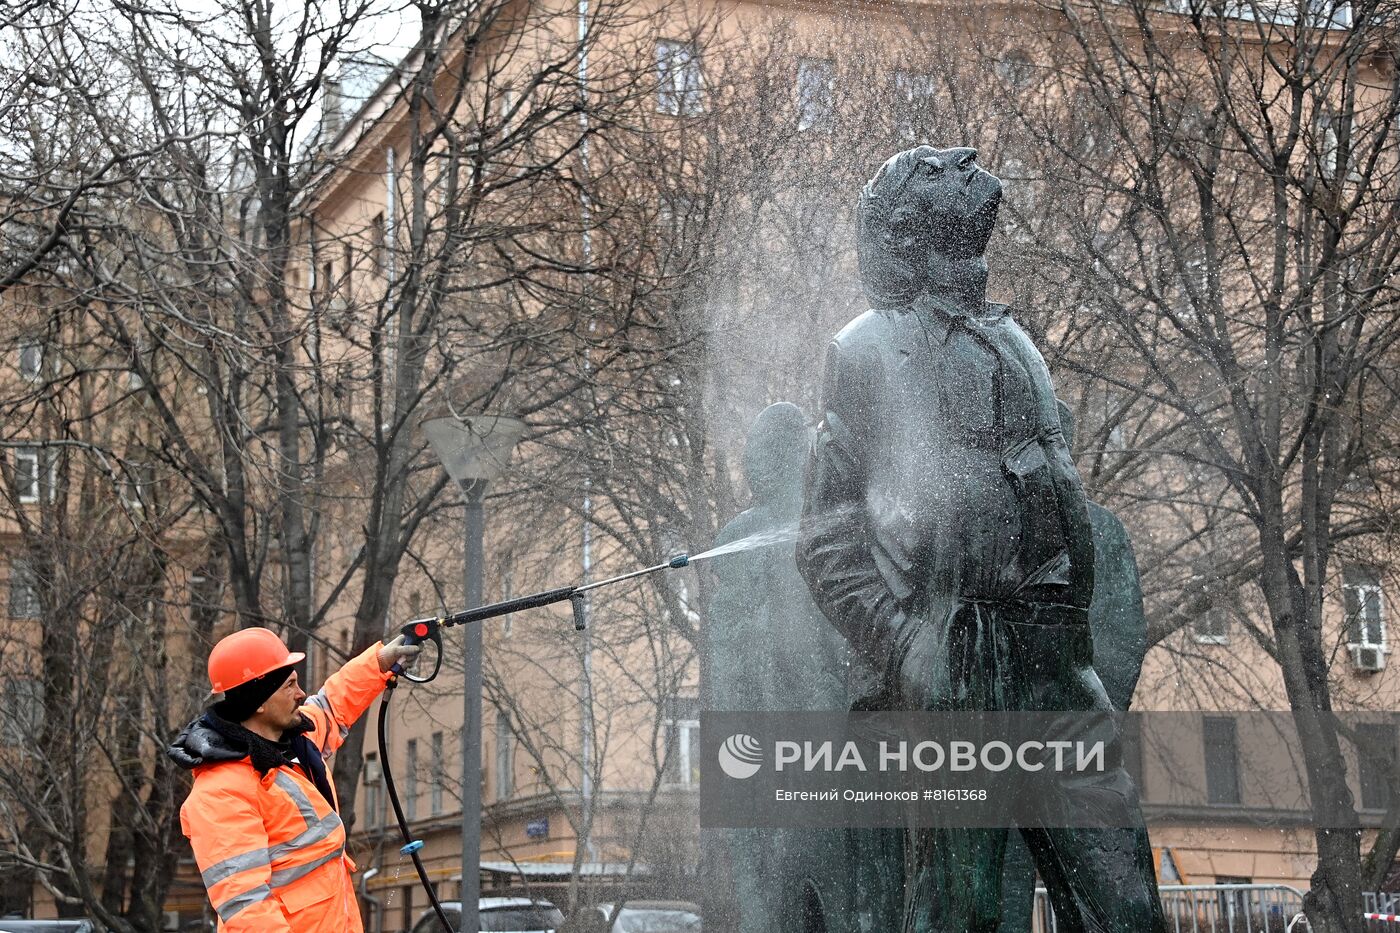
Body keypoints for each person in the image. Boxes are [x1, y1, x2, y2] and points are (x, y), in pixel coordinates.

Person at [797, 145, 1166, 933]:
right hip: (955, 652)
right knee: (956, 910)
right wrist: (908, 646)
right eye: (933, 170)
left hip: (1054, 662)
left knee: (1125, 900)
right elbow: (826, 539)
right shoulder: (862, 349)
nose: (964, 161)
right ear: (907, 226)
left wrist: (1073, 635)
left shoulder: (1017, 341)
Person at [168, 627, 420, 932]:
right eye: (289, 685)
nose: (300, 694)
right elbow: (248, 909)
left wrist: (379, 662)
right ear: (259, 701)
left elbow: (332, 705)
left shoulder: (293, 744)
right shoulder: (221, 792)